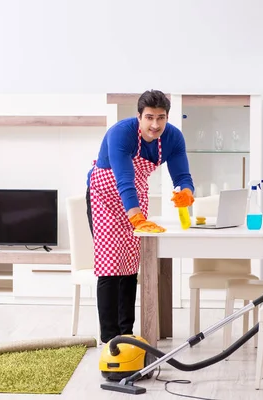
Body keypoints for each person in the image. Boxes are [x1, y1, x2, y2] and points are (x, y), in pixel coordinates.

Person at [85, 89, 195, 343]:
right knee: (111, 266)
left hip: (135, 193)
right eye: (149, 117)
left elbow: (182, 177)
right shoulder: (120, 133)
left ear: (167, 117)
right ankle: (110, 338)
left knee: (131, 265)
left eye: (161, 117)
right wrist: (135, 217)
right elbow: (124, 179)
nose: (155, 125)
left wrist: (186, 193)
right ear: (139, 116)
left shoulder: (173, 138)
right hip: (104, 196)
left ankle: (127, 333)